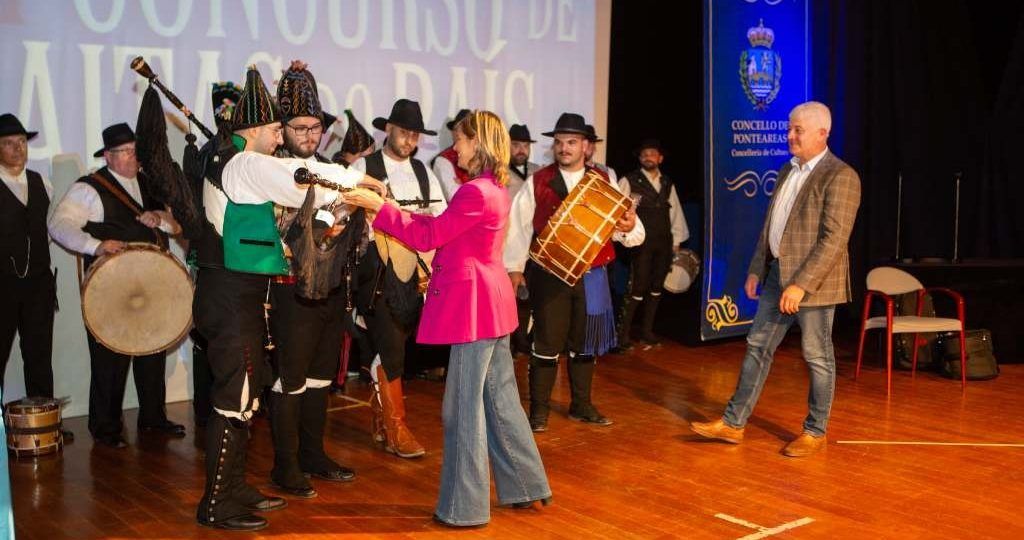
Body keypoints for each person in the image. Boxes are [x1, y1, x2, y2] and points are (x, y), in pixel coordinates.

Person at [343, 110, 551, 528]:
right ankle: (528, 486)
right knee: (502, 400)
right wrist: (387, 208)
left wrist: (379, 208)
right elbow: (439, 227)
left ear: (480, 143)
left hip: (474, 308)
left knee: (462, 409)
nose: (455, 147)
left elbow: (428, 237)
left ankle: (464, 508)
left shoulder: (475, 191)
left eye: (461, 140)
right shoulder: (494, 188)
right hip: (492, 306)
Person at [191, 66, 369, 530]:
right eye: (274, 128)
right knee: (237, 396)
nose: (278, 136)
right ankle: (216, 503)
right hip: (231, 297)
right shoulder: (245, 162)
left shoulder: (226, 157)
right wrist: (356, 184)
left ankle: (233, 487)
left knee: (246, 394)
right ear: (253, 130)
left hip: (235, 294)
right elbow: (297, 173)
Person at [689, 101, 861, 458]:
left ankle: (816, 431)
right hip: (776, 275)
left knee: (816, 355)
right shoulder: (787, 170)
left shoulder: (840, 175)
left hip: (813, 283)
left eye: (798, 130)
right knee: (757, 346)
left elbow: (834, 240)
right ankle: (734, 423)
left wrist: (801, 284)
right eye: (789, 128)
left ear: (822, 133)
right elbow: (771, 226)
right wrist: (757, 267)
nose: (790, 135)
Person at [504, 112, 645, 432]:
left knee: (586, 342)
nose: (563, 148)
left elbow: (627, 230)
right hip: (549, 274)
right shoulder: (538, 181)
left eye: (571, 142)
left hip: (593, 275)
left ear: (586, 147)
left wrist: (628, 226)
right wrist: (514, 269)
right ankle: (538, 411)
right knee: (546, 342)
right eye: (558, 143)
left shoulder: (604, 180)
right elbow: (518, 228)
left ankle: (581, 405)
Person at [48, 122, 185, 448]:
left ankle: (153, 418)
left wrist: (159, 219)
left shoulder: (149, 183)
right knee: (109, 360)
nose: (132, 158)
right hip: (110, 289)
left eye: (134, 151)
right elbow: (59, 225)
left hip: (149, 286)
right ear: (107, 156)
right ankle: (105, 427)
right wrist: (95, 245)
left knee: (153, 351)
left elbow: (175, 225)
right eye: (124, 152)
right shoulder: (90, 188)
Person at [264, 60, 362, 498]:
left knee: (322, 376)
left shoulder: (331, 167)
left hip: (331, 289)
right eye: (299, 127)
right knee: (291, 378)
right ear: (281, 128)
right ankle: (284, 466)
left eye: (315, 127)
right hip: (289, 292)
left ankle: (312, 455)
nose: (308, 135)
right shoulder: (266, 167)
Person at [350, 98, 446, 459]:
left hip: (415, 274)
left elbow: (441, 216)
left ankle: (381, 420)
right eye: (404, 132)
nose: (409, 140)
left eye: (415, 135)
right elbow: (353, 217)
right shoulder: (366, 166)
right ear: (388, 129)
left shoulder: (424, 172)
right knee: (390, 347)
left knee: (392, 346)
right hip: (376, 272)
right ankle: (397, 429)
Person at [0, 113, 60, 419]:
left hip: (38, 284)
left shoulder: (42, 183)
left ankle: (44, 422)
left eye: (21, 142)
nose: (17, 149)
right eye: (8, 143)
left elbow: (48, 232)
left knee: (39, 355)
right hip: (3, 287)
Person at [615, 139, 688, 351]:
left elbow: (674, 212)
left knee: (657, 288)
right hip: (640, 244)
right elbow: (618, 210)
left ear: (660, 158)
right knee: (636, 288)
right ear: (640, 158)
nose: (648, 157)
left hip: (663, 243)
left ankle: (647, 332)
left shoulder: (667, 183)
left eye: (652, 153)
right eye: (644, 154)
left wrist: (676, 241)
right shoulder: (629, 180)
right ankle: (623, 336)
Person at [506, 123, 541, 357]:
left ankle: (522, 342)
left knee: (528, 295)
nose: (521, 149)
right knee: (508, 293)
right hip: (506, 240)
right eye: (516, 145)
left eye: (525, 145)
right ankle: (507, 341)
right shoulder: (499, 172)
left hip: (535, 242)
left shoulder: (539, 171)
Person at [430, 108, 471, 201]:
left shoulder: (484, 160)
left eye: (466, 130)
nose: (458, 133)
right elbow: (454, 197)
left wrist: (464, 186)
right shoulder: (443, 160)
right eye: (456, 129)